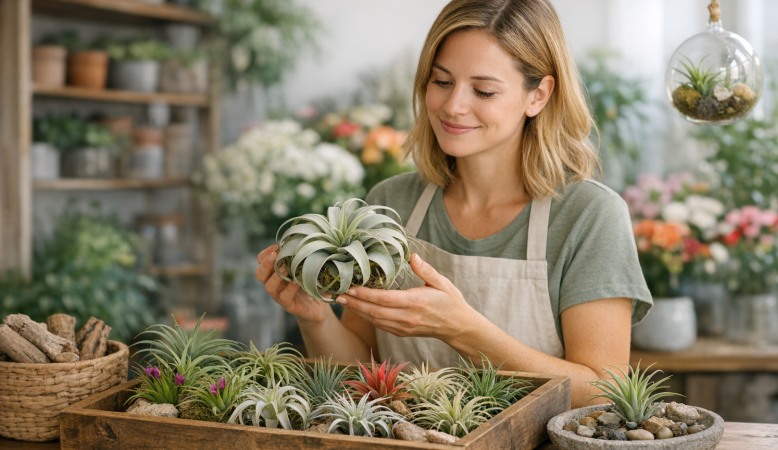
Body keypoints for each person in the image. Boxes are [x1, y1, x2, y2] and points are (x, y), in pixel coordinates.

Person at [256, 0, 652, 408]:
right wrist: (313, 315)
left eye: (483, 90)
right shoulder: (392, 203)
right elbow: (360, 372)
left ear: (538, 95)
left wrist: (463, 330)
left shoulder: (589, 216)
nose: (453, 106)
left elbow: (604, 395)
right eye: (442, 81)